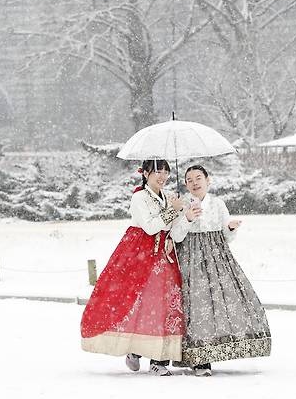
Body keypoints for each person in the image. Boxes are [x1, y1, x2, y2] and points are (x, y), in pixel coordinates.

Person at [80, 159, 186, 376]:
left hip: (164, 254)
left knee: (165, 304)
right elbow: (149, 227)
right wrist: (172, 212)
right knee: (140, 301)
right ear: (146, 173)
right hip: (141, 253)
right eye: (157, 171)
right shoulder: (139, 197)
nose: (163, 176)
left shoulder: (167, 197)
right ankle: (135, 350)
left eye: (166, 171)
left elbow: (171, 227)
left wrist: (179, 215)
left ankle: (159, 359)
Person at [170, 165, 271, 377]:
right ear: (186, 184)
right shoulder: (182, 204)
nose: (195, 182)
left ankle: (216, 348)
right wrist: (187, 218)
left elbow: (225, 236)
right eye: (189, 180)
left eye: (199, 178)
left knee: (221, 301)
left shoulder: (218, 203)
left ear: (208, 180)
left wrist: (231, 227)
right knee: (196, 306)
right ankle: (199, 359)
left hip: (217, 257)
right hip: (191, 259)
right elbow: (176, 236)